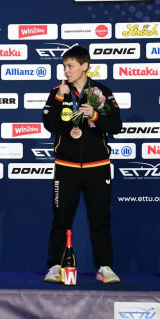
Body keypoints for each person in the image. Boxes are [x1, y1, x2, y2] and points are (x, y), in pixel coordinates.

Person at [42, 45, 123, 283]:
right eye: (64, 66)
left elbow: (117, 125)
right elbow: (50, 124)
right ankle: (57, 265)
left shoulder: (101, 92)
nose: (66, 71)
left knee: (100, 219)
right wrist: (59, 98)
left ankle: (105, 267)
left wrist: (95, 116)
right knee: (61, 219)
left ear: (85, 66)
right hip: (66, 166)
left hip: (97, 166)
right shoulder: (58, 92)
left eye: (70, 66)